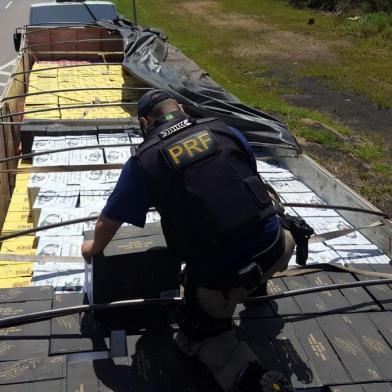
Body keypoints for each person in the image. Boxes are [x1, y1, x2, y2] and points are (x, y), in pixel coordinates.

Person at [82, 89, 296, 392]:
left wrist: (92, 249)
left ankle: (252, 380)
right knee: (259, 205)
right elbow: (248, 176)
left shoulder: (144, 162)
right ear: (181, 108)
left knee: (196, 336)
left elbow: (109, 221)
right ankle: (255, 288)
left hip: (223, 278)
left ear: (145, 123)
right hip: (278, 246)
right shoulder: (225, 130)